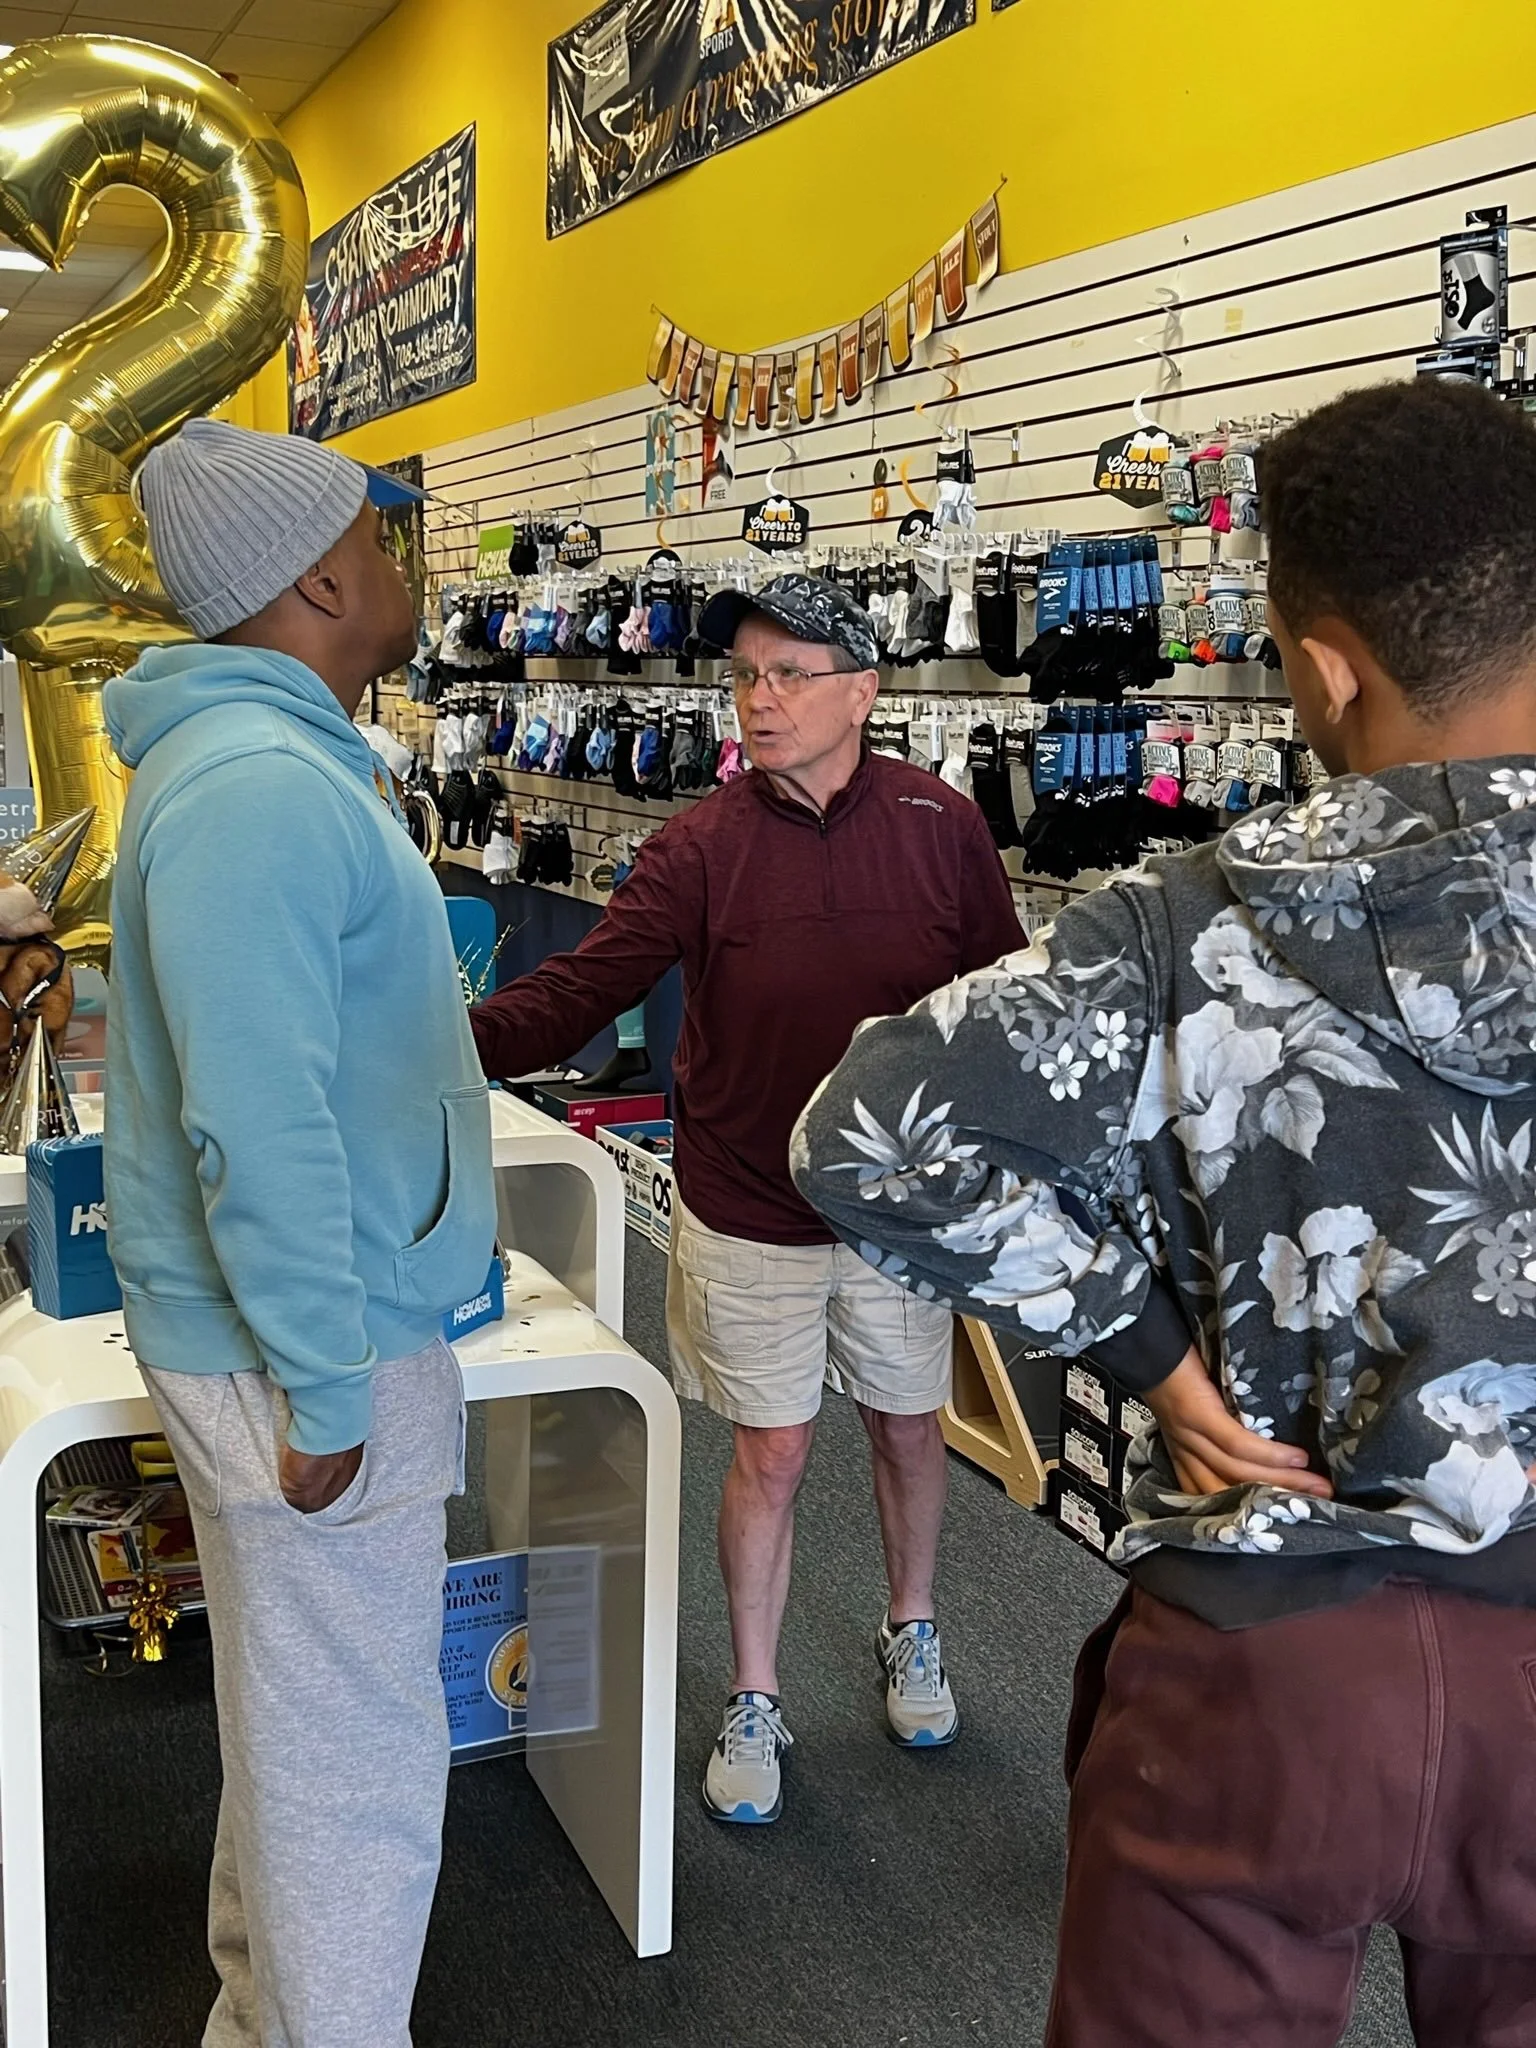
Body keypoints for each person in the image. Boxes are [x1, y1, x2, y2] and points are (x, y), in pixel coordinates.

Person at [793, 377, 1536, 2047]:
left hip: (1268, 1659)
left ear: (1329, 663)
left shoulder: (1184, 919)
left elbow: (869, 1130)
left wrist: (1153, 1358)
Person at [470, 573, 1022, 1823]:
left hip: (898, 1207)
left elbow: (1002, 1009)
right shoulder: (701, 844)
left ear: (863, 692)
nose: (759, 700)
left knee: (907, 1424)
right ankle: (757, 1689)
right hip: (746, 1198)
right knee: (770, 1449)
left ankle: (913, 1623)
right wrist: (439, 1040)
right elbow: (581, 989)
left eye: (788, 675)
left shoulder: (942, 827)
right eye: (745, 677)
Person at [106, 418, 496, 2048]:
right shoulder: (260, 789)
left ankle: (265, 2018)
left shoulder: (273, 765)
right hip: (307, 1354)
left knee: (302, 1726)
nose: (402, 567)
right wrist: (330, 1394)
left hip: (311, 1328)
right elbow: (253, 1124)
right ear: (324, 574)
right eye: (383, 538)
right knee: (354, 1769)